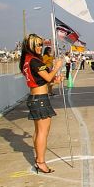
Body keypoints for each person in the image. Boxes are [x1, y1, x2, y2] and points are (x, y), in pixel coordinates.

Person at [20, 34, 63, 174]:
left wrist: (55, 80)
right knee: (43, 133)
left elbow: (42, 80)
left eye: (41, 45)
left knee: (38, 132)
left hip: (35, 97)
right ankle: (41, 162)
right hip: (40, 99)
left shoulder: (26, 61)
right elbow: (48, 77)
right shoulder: (35, 61)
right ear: (30, 46)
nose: (40, 47)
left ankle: (39, 159)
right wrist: (57, 67)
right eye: (37, 45)